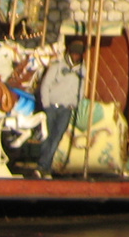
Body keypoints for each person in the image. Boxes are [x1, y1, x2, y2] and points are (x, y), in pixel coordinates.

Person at [34, 40, 85, 177]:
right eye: (74, 53)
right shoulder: (57, 67)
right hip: (52, 106)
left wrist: (75, 103)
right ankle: (44, 167)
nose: (76, 56)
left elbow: (81, 89)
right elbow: (45, 85)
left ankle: (43, 167)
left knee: (57, 138)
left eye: (78, 54)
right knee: (48, 137)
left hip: (66, 109)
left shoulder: (82, 70)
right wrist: (46, 104)